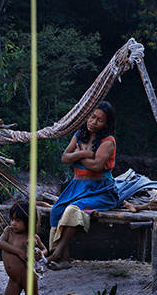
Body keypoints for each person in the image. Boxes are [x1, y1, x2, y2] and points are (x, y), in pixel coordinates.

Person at [44, 101, 120, 269]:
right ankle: (64, 258)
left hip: (100, 190)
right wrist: (85, 153)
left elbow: (96, 166)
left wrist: (77, 154)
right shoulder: (80, 134)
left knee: (73, 210)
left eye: (100, 120)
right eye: (92, 117)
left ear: (106, 123)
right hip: (76, 186)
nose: (93, 122)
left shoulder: (108, 141)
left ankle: (57, 253)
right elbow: (64, 157)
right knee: (57, 210)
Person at [0, 201, 47, 295]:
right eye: (12, 219)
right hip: (14, 279)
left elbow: (44, 249)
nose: (13, 223)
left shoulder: (31, 237)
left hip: (27, 276)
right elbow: (0, 243)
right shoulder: (8, 232)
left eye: (18, 220)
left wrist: (40, 254)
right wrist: (18, 251)